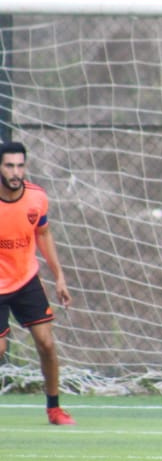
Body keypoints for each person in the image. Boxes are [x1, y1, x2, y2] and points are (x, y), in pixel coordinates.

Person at [0, 140, 75, 425]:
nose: (15, 172)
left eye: (20, 166)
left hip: (26, 279)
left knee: (46, 343)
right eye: (9, 166)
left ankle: (54, 408)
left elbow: (43, 234)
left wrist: (59, 277)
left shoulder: (36, 197)